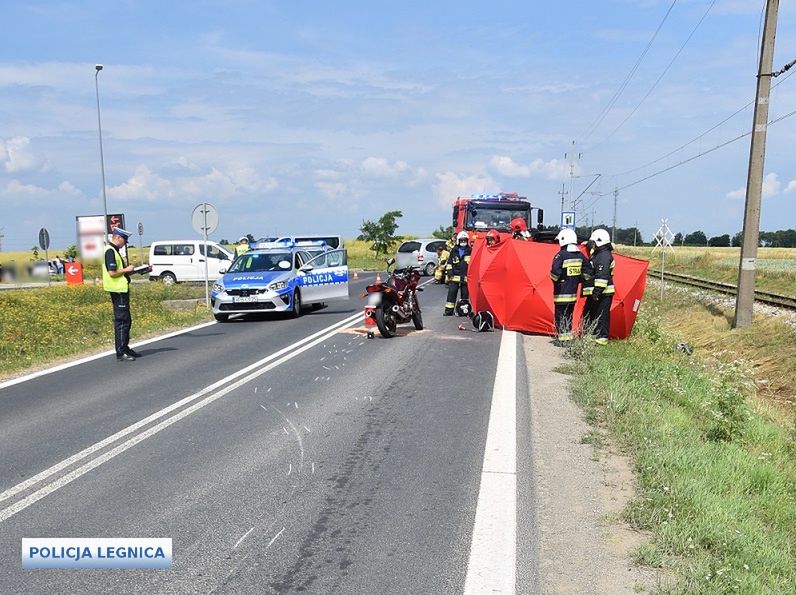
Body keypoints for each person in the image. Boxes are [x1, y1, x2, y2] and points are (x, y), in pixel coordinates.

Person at [103, 227, 139, 361]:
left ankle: (125, 347)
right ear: (117, 238)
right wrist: (127, 269)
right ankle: (120, 351)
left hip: (121, 289)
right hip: (117, 290)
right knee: (122, 321)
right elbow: (112, 272)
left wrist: (140, 270)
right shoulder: (110, 251)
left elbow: (121, 272)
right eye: (124, 240)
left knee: (127, 321)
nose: (124, 244)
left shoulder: (114, 251)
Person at [550, 228, 586, 342]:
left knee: (560, 316)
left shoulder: (560, 255)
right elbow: (588, 271)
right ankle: (568, 338)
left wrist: (556, 280)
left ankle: (562, 339)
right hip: (573, 294)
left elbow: (555, 272)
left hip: (561, 293)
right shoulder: (580, 255)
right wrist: (578, 280)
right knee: (569, 315)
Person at [581, 228, 615, 345]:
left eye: (593, 243)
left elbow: (602, 275)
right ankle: (593, 334)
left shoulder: (603, 256)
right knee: (590, 314)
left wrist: (597, 291)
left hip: (602, 293)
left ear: (599, 242)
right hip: (598, 292)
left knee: (601, 316)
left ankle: (601, 338)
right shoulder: (599, 253)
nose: (591, 245)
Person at [444, 231, 471, 316]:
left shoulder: (470, 250)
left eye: (465, 240)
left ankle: (463, 311)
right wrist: (449, 271)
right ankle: (449, 311)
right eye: (461, 240)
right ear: (458, 241)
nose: (463, 242)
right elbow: (449, 263)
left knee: (465, 295)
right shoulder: (454, 250)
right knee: (451, 294)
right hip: (454, 277)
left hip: (465, 278)